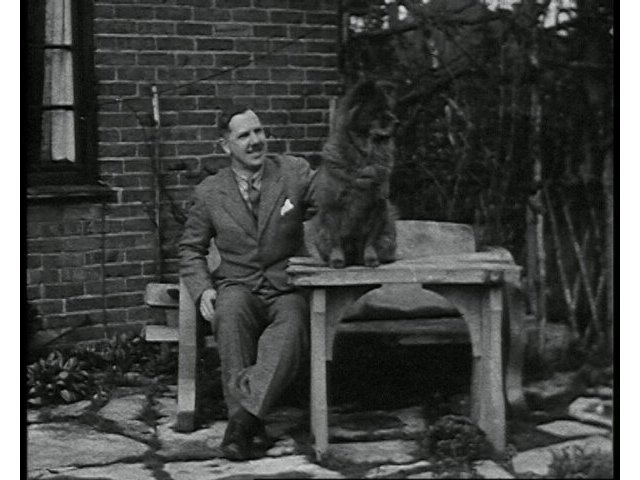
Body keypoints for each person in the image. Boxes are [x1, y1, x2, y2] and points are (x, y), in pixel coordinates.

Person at [179, 106, 317, 461]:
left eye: (258, 131)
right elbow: (191, 249)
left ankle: (242, 423)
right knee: (229, 314)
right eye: (244, 135)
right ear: (226, 145)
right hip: (237, 285)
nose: (255, 141)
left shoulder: (294, 172)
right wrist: (203, 289)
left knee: (293, 324)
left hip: (286, 286)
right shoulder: (210, 192)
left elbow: (331, 201)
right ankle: (248, 420)